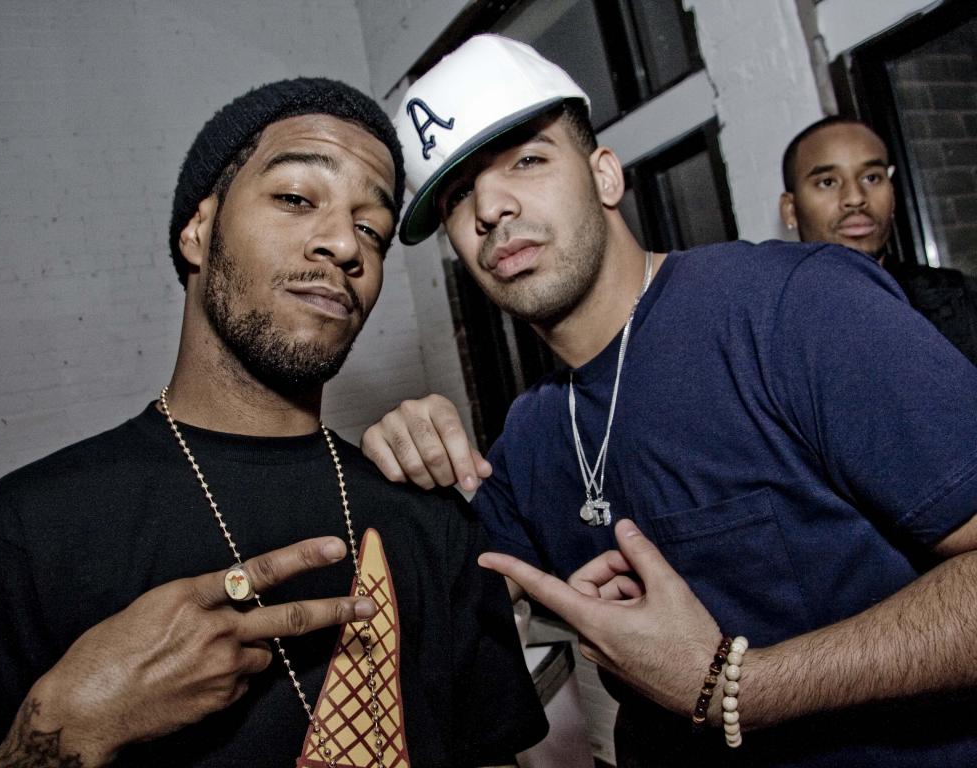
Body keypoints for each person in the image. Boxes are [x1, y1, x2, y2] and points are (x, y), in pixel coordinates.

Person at [362, 34, 977, 766]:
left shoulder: (794, 308)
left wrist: (734, 686)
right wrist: (399, 466)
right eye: (458, 194)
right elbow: (422, 626)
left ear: (605, 176)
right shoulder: (528, 439)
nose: (491, 207)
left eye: (527, 160)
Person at [0, 78, 546, 767]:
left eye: (371, 230)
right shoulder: (33, 529)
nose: (344, 245)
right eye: (295, 198)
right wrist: (76, 724)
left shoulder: (430, 520)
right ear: (198, 230)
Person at [780, 116, 977, 366]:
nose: (855, 198)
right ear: (790, 209)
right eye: (828, 182)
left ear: (892, 194)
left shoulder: (962, 301)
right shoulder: (771, 328)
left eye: (871, 178)